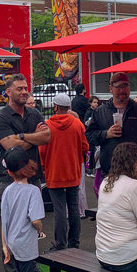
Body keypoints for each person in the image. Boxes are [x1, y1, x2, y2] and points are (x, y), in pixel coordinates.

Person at [0, 74, 50, 272]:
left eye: (26, 88)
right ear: (8, 92)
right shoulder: (1, 118)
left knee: (32, 225)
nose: (24, 92)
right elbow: (9, 148)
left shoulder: (34, 112)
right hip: (8, 179)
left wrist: (21, 137)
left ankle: (31, 268)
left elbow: (47, 137)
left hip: (32, 177)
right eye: (19, 89)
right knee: (10, 228)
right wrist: (32, 136)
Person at [85, 72, 137, 194]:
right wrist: (106, 134)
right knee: (113, 210)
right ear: (111, 89)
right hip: (110, 173)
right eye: (118, 87)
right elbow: (90, 136)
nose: (122, 90)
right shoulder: (100, 111)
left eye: (125, 86)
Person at [0, 147, 45, 272]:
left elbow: (4, 221)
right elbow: (35, 220)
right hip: (25, 244)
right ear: (29, 166)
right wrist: (40, 229)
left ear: (9, 171)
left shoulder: (8, 191)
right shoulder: (33, 191)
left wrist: (5, 246)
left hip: (12, 243)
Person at [39, 93, 89, 251]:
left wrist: (43, 166)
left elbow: (42, 151)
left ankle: (60, 243)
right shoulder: (77, 124)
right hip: (73, 171)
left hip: (54, 172)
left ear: (55, 106)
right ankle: (74, 242)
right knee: (73, 206)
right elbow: (85, 147)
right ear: (68, 107)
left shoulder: (47, 126)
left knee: (59, 208)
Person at [95, 143, 137, 272]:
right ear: (132, 162)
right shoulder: (134, 186)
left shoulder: (106, 181)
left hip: (103, 255)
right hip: (127, 259)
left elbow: (120, 206)